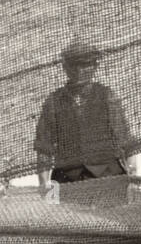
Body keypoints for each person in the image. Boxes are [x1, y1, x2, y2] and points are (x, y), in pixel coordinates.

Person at [34, 40, 132, 187]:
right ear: (65, 67)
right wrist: (46, 190)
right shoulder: (53, 102)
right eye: (74, 65)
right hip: (67, 182)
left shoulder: (107, 96)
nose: (80, 71)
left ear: (95, 66)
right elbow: (43, 149)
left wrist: (133, 180)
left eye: (86, 64)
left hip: (109, 178)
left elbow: (125, 141)